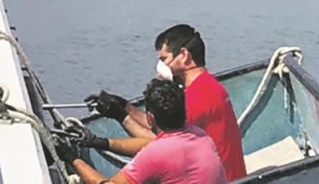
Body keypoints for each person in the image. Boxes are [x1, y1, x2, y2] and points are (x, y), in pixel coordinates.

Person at [87, 24, 247, 181]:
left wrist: (120, 117)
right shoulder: (208, 85)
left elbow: (159, 144)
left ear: (184, 55)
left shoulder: (197, 96)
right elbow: (161, 124)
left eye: (164, 59)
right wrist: (125, 106)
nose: (161, 67)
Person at [60, 79, 227, 184]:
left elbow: (153, 149)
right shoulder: (201, 136)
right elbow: (153, 143)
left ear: (150, 118)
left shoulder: (156, 154)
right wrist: (99, 141)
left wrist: (73, 159)